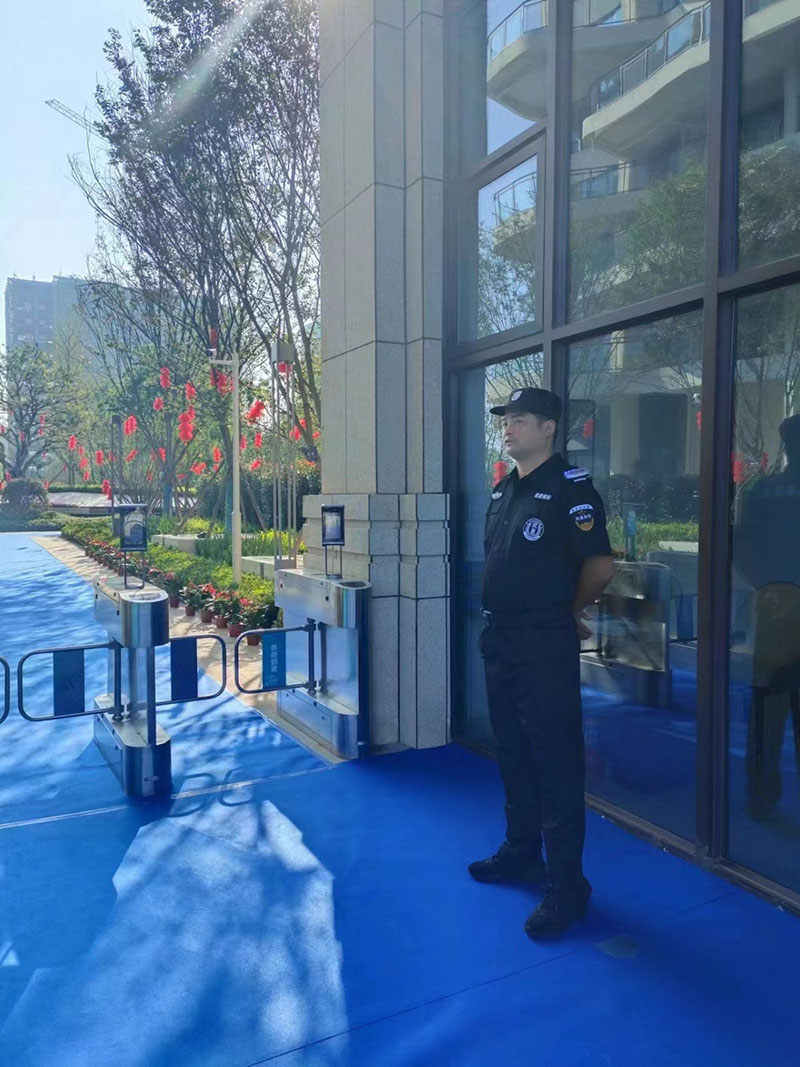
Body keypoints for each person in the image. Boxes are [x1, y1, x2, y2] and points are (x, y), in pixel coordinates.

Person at [469, 387, 616, 940]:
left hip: (542, 645)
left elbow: (599, 567)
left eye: (520, 420)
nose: (508, 428)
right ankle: (522, 851)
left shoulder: (571, 489)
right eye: (505, 420)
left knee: (556, 765)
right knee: (513, 753)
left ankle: (568, 886)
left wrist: (565, 611)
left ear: (549, 428)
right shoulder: (506, 489)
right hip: (501, 642)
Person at [734, 413, 800, 818]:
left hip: (775, 607)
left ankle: (760, 795)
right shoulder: (765, 490)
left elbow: (741, 547)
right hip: (780, 607)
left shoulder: (762, 490)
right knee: (768, 707)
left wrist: (767, 588)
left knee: (768, 710)